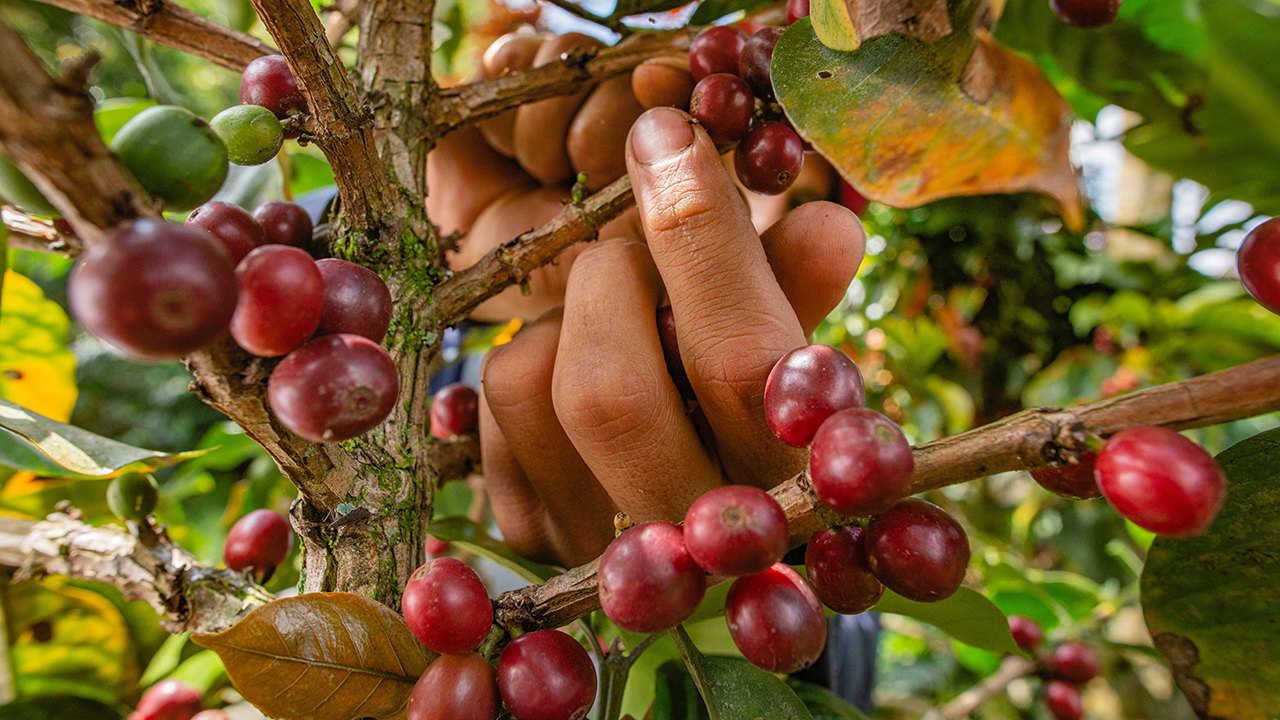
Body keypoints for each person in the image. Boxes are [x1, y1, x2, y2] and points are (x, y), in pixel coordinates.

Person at [428, 30, 877, 712]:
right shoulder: (436, 360)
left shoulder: (826, 427)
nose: (717, 190)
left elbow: (841, 654)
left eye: (774, 175)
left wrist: (728, 580)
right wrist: (435, 248)